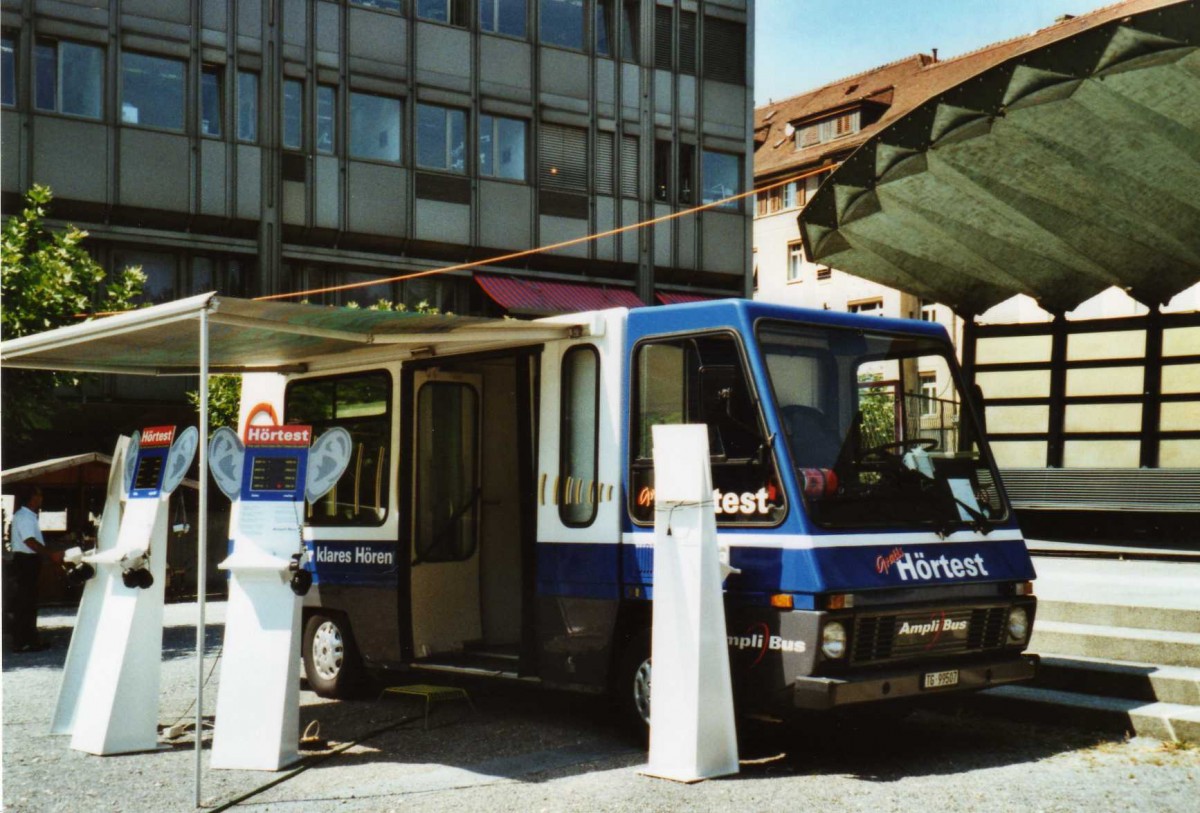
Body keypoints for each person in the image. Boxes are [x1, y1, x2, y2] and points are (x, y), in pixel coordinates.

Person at [8, 484, 61, 652]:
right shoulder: (24, 516)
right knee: (25, 603)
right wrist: (49, 554)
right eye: (39, 495)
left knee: (28, 602)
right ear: (32, 497)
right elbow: (29, 541)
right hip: (25, 561)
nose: (41, 498)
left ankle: (29, 640)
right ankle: (23, 642)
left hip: (28, 561)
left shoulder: (28, 516)